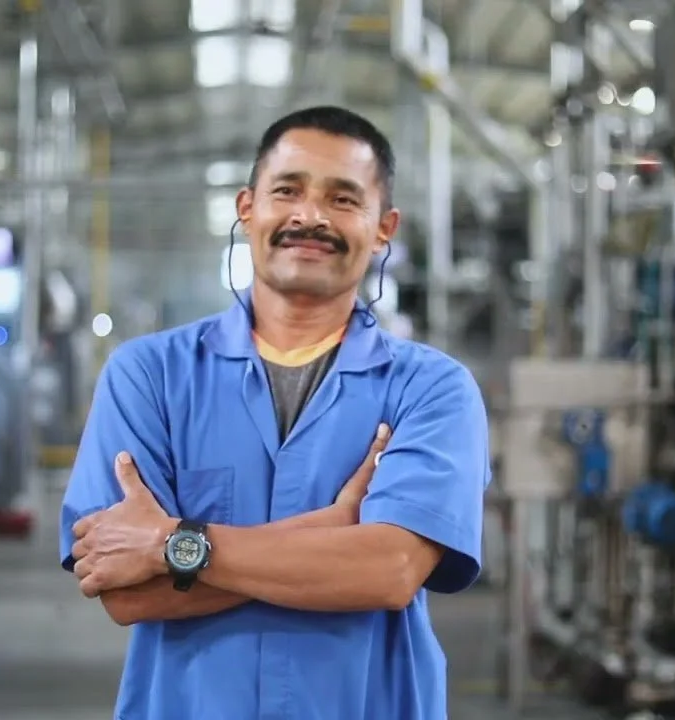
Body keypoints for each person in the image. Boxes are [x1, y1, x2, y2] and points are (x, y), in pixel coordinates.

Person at [61, 105, 491, 720]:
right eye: (287, 190)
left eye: (343, 199)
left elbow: (390, 570)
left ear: (383, 228)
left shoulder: (432, 389)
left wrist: (173, 545)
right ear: (247, 206)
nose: (310, 216)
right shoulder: (149, 376)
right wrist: (332, 531)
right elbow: (125, 596)